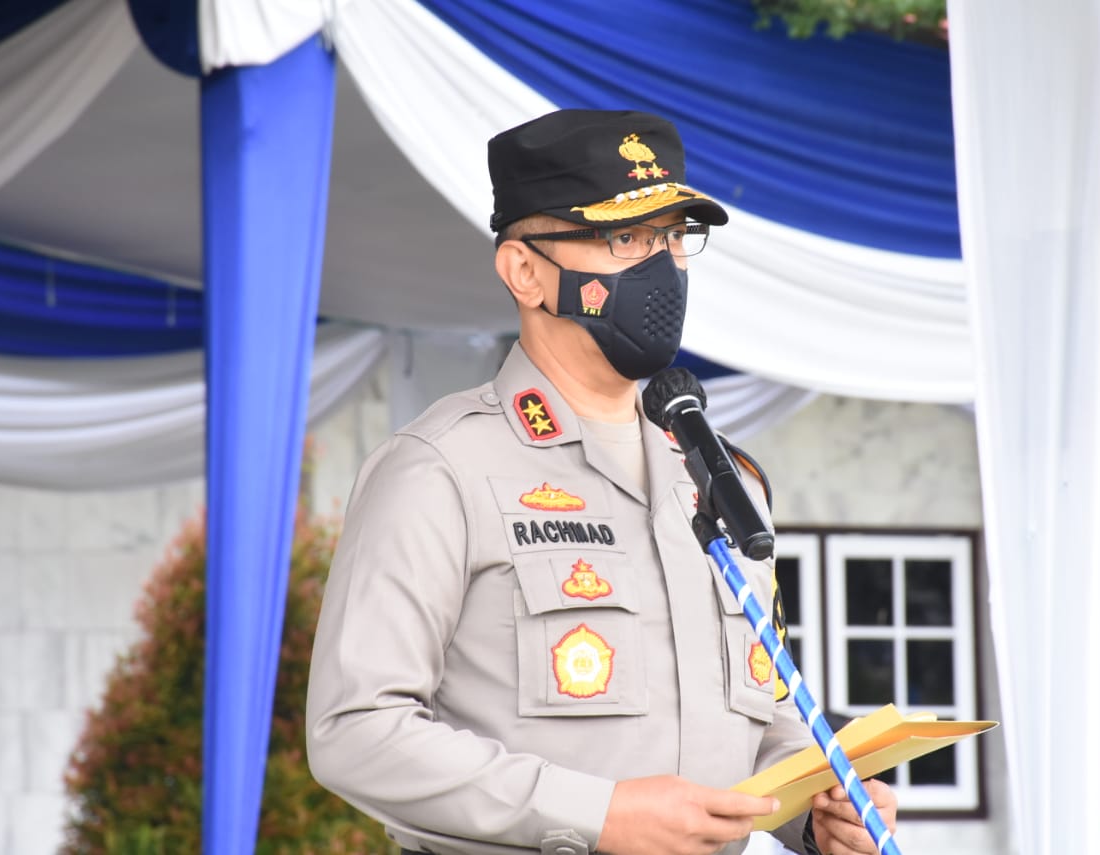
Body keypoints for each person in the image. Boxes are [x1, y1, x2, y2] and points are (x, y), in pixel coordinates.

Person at [307, 109, 896, 855]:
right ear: (525, 271)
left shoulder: (721, 478)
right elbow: (356, 730)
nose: (662, 268)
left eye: (674, 237)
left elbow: (763, 716)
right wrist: (597, 813)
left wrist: (815, 811)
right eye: (625, 239)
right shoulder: (441, 468)